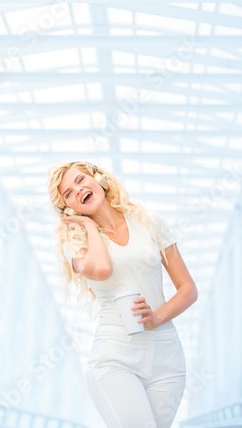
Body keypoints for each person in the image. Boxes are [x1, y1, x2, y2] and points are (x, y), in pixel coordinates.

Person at [48, 160, 198, 428]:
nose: (77, 190)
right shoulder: (75, 242)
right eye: (68, 193)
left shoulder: (149, 222)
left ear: (99, 178)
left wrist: (156, 316)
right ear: (68, 209)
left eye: (80, 180)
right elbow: (102, 269)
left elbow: (188, 288)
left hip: (167, 360)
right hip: (115, 358)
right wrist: (90, 226)